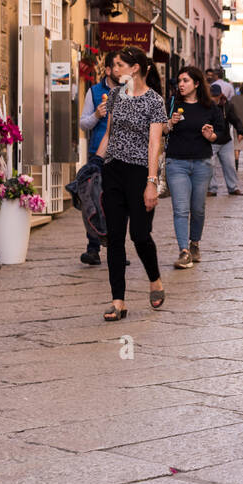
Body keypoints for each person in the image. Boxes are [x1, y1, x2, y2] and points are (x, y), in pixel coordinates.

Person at [95, 46, 168, 322]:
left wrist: (152, 182)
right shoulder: (115, 95)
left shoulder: (154, 101)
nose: (115, 70)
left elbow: (154, 144)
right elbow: (109, 135)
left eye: (119, 65)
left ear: (134, 67)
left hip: (139, 173)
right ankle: (118, 301)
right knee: (115, 237)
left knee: (139, 234)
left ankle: (155, 280)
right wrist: (93, 164)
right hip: (113, 170)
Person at [164, 67, 219, 269]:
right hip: (176, 162)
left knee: (198, 209)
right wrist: (170, 122)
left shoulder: (209, 107)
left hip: (202, 163)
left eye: (185, 80)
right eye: (179, 80)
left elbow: (220, 134)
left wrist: (210, 136)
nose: (181, 84)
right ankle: (183, 251)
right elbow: (161, 130)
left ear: (196, 84)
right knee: (180, 209)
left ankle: (194, 243)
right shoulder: (173, 103)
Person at [78, 51, 124, 264]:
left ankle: (117, 250)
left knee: (119, 204)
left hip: (123, 155)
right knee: (94, 201)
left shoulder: (130, 91)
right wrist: (96, 115)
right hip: (98, 153)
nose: (121, 69)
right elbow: (83, 123)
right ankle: (93, 248)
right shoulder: (94, 92)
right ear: (107, 70)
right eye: (117, 65)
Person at [204, 82, 242, 197]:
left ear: (221, 95)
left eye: (216, 96)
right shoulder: (206, 106)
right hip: (211, 141)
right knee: (210, 165)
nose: (214, 98)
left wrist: (240, 131)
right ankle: (212, 188)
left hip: (225, 140)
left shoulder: (227, 106)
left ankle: (233, 187)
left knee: (229, 165)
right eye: (212, 96)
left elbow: (235, 119)